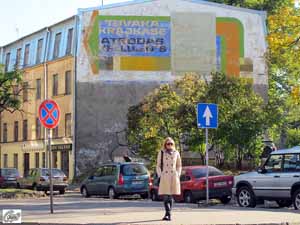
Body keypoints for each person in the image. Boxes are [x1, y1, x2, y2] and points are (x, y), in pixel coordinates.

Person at [156, 137, 182, 221]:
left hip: (173, 176)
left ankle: (168, 214)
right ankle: (168, 213)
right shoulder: (161, 152)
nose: (170, 145)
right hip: (165, 176)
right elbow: (158, 165)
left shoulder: (176, 153)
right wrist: (160, 175)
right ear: (165, 144)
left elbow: (179, 165)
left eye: (171, 144)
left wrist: (178, 174)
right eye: (168, 144)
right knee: (166, 196)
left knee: (170, 196)